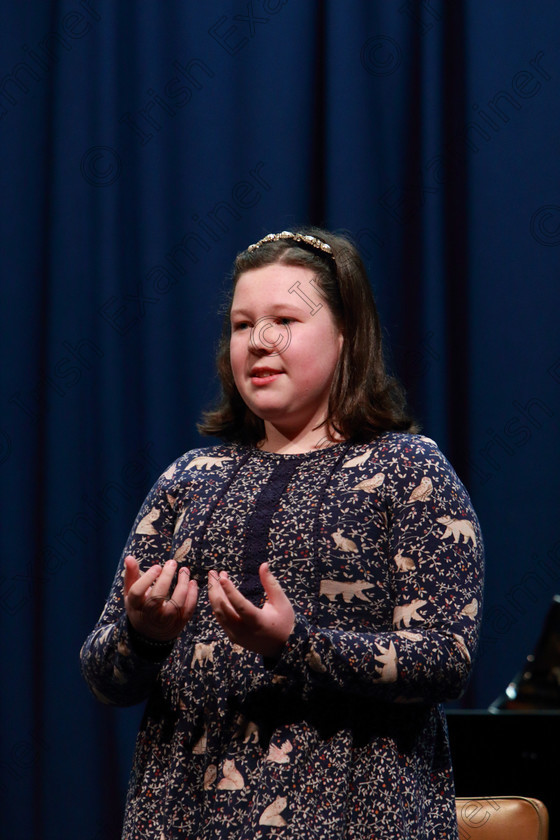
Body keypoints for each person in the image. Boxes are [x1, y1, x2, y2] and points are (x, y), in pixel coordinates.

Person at [81, 228, 484, 839]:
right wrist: (143, 636)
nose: (259, 342)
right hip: (181, 818)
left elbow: (446, 658)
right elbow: (103, 676)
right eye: (243, 325)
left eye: (285, 320)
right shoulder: (189, 479)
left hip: (351, 815)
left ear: (348, 335)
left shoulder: (408, 471)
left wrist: (295, 644)